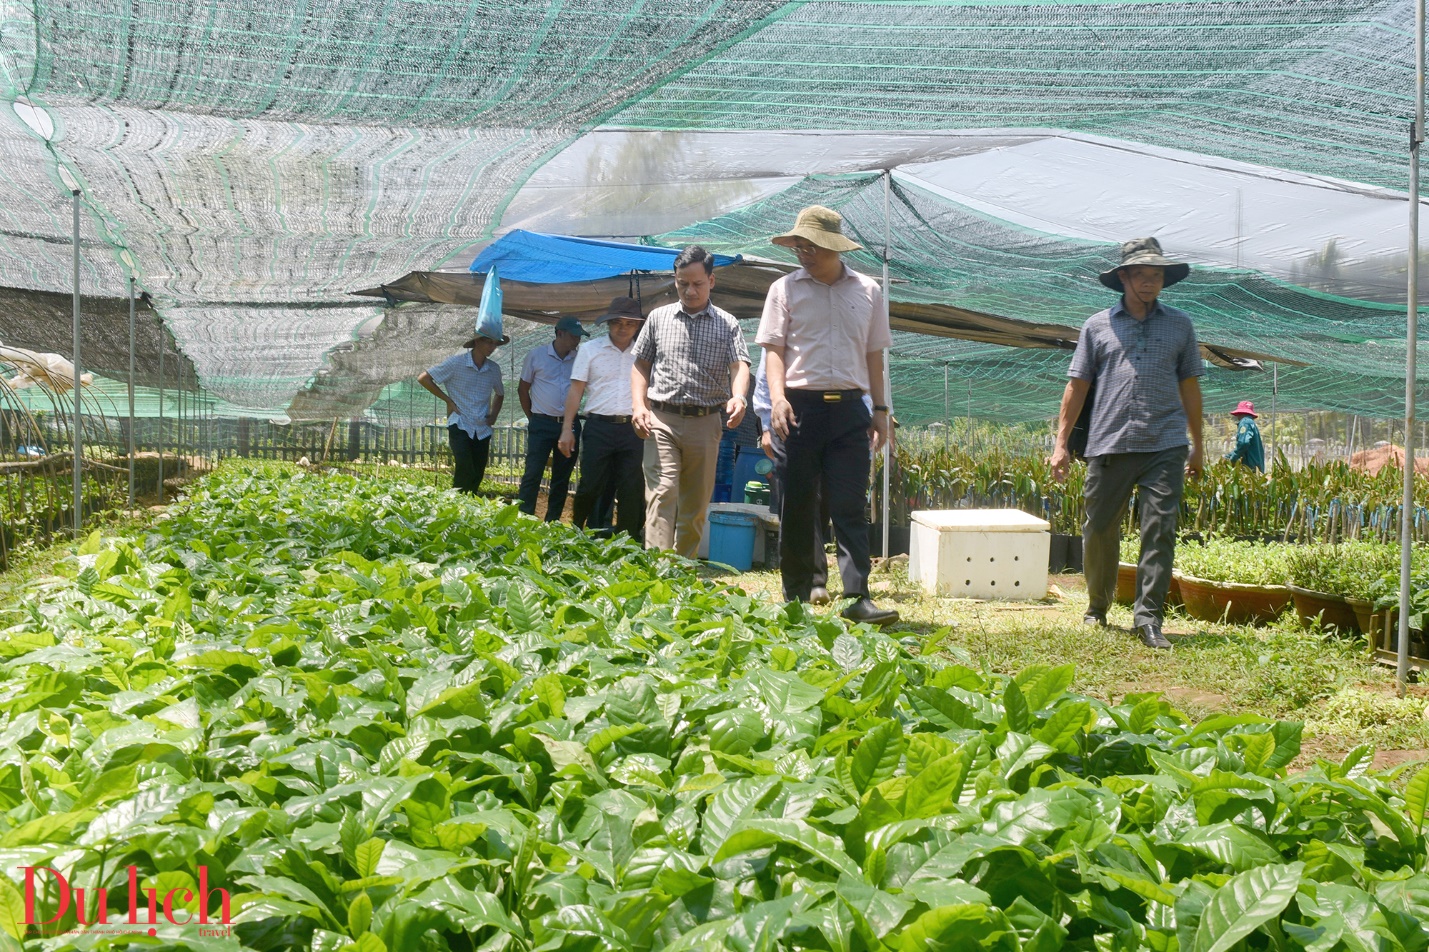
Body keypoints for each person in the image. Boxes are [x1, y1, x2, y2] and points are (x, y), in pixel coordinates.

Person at [1050, 237, 1205, 651]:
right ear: (1123, 277)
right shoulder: (1097, 326)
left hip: (1166, 444)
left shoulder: (1180, 325)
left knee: (1161, 530)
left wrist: (1198, 444)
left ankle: (1148, 618)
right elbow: (1076, 387)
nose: (1150, 282)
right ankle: (1097, 607)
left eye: (1156, 276)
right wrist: (1060, 443)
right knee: (1099, 529)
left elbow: (1190, 386)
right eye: (1141, 275)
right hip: (1109, 442)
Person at [758, 205, 898, 626]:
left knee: (849, 503)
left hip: (851, 410)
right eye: (799, 246)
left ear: (834, 247)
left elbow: (875, 355)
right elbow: (773, 352)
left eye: (811, 246)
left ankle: (858, 597)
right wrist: (777, 400)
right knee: (798, 503)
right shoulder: (783, 289)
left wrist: (881, 408)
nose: (803, 253)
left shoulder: (868, 291)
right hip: (798, 410)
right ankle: (797, 597)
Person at [631, 246, 751, 558]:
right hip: (662, 419)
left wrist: (739, 396)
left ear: (711, 281)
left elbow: (739, 366)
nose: (690, 290)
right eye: (683, 283)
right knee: (662, 492)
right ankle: (658, 572)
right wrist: (639, 406)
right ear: (675, 280)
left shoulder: (728, 324)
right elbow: (640, 365)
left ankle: (681, 570)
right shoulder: (658, 318)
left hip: (706, 422)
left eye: (697, 283)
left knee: (696, 504)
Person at [559, 297, 646, 539]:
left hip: (634, 429)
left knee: (632, 488)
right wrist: (567, 429)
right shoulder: (590, 350)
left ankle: (628, 541)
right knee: (590, 484)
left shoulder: (644, 353)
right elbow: (575, 390)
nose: (623, 328)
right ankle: (577, 530)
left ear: (637, 326)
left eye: (629, 323)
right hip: (598, 427)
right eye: (617, 322)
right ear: (608, 323)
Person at [754, 350, 833, 604]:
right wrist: (766, 425)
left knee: (823, 499)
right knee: (797, 499)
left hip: (832, 421)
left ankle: (811, 577)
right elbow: (765, 376)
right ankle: (810, 581)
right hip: (788, 423)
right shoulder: (784, 322)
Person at [417, 328, 507, 494]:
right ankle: (455, 505)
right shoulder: (456, 363)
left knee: (477, 473)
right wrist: (448, 400)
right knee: (466, 468)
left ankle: (467, 507)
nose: (492, 347)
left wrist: (493, 415)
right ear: (477, 341)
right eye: (489, 342)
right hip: (460, 423)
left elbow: (500, 394)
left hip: (482, 428)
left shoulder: (493, 369)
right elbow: (424, 378)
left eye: (495, 343)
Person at [517, 316, 588, 520]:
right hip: (541, 423)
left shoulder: (580, 358)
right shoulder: (536, 356)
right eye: (574, 336)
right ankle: (525, 519)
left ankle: (553, 522)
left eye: (579, 337)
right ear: (559, 334)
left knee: (562, 477)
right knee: (532, 473)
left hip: (570, 425)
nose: (577, 340)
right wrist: (532, 417)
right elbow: (523, 389)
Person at [1225, 400, 1265, 472]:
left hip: (1249, 468)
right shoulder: (1251, 423)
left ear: (1239, 414)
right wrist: (1228, 456)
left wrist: (1232, 459)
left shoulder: (1245, 422)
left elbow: (1243, 443)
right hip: (1257, 468)